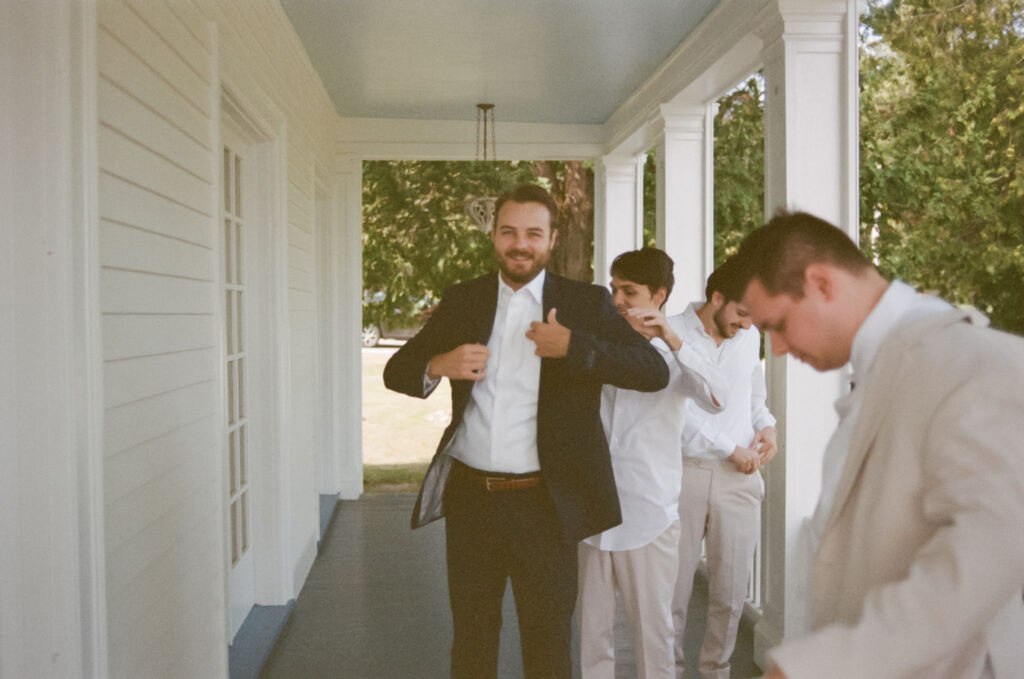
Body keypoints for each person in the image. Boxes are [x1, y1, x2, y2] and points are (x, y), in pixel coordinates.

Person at [383, 184, 669, 679]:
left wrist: (574, 347)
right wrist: (439, 363)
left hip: (546, 505)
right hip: (471, 501)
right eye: (509, 231)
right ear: (493, 235)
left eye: (533, 233)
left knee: (548, 639)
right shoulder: (463, 300)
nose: (520, 243)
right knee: (472, 634)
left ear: (552, 238)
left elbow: (652, 371)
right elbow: (397, 371)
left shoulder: (586, 303)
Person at [734, 211, 1024, 679]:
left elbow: (993, 546)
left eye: (779, 324)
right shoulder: (885, 367)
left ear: (821, 282)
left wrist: (821, 666)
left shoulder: (969, 361)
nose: (780, 348)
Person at [577, 247, 729, 679]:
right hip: (594, 508)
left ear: (658, 295)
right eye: (614, 289)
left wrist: (673, 339)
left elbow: (718, 398)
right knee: (592, 635)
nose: (618, 299)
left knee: (654, 634)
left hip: (650, 513)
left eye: (629, 290)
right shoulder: (601, 341)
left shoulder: (680, 354)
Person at [670, 257, 778, 679]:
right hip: (683, 473)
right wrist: (728, 446)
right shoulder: (671, 333)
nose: (748, 325)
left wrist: (767, 428)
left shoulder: (747, 339)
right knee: (673, 593)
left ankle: (715, 672)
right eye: (741, 314)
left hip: (740, 480)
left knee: (730, 597)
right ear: (717, 298)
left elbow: (753, 400)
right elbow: (673, 411)